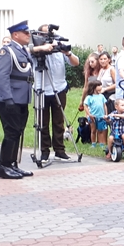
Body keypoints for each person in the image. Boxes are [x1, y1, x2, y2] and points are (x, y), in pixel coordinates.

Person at [0, 20, 55, 179]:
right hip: (9, 98)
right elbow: (2, 77)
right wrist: (8, 99)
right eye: (26, 33)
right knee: (11, 132)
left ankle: (13, 164)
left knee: (17, 132)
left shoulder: (22, 50)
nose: (29, 35)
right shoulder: (6, 51)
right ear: (15, 35)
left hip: (21, 98)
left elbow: (30, 57)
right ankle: (4, 167)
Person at [32, 25, 80, 162]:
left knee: (59, 121)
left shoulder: (59, 47)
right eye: (46, 34)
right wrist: (42, 48)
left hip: (59, 88)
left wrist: (67, 53)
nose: (49, 38)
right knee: (42, 122)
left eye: (50, 35)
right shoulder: (36, 48)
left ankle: (60, 150)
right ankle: (44, 151)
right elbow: (27, 50)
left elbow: (76, 63)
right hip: (41, 89)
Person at [83, 78, 107, 147]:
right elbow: (85, 106)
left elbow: (104, 105)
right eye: (99, 85)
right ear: (93, 87)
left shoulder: (102, 96)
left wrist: (106, 114)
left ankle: (101, 144)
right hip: (93, 117)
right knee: (93, 130)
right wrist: (89, 114)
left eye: (101, 85)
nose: (101, 87)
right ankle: (93, 143)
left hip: (101, 116)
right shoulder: (89, 97)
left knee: (101, 131)